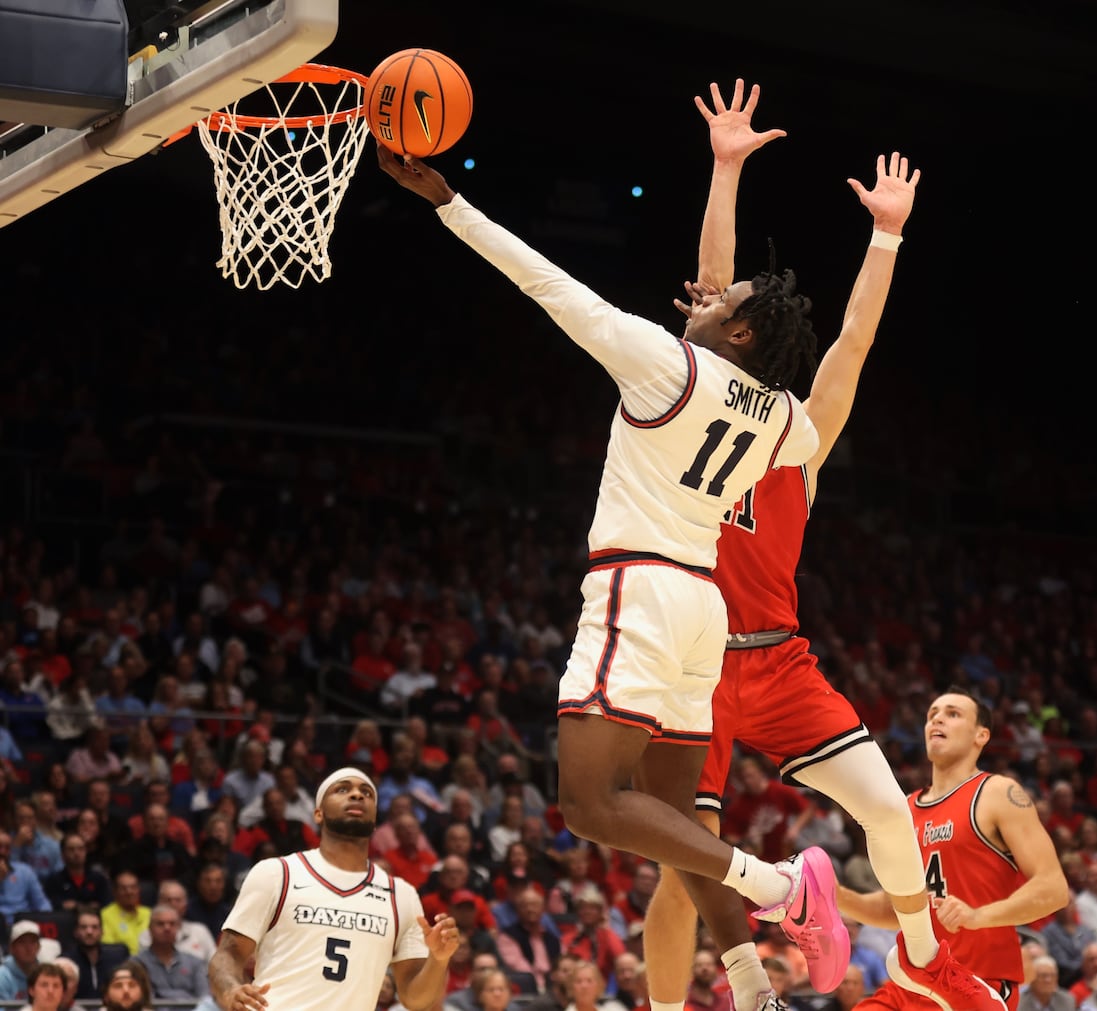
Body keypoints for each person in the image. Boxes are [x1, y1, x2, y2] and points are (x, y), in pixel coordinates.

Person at [376, 83, 840, 1011]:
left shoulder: (664, 362)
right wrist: (725, 172)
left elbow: (543, 279)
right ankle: (750, 981)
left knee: (588, 806)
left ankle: (783, 887)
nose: (701, 296)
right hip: (702, 609)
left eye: (720, 300)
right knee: (669, 822)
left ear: (737, 330)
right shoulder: (788, 421)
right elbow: (729, 313)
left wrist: (447, 201)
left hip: (637, 593)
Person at [641, 75, 998, 1011]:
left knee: (889, 808)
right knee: (681, 863)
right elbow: (711, 297)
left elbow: (854, 339)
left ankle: (922, 958)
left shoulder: (801, 432)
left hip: (780, 659)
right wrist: (722, 171)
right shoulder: (693, 402)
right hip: (694, 663)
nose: (714, 317)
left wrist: (887, 235)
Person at [839, 691, 1072, 1011]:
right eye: (932, 713)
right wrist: (833, 894)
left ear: (981, 735)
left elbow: (1054, 888)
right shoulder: (905, 809)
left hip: (976, 981)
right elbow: (896, 906)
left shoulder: (998, 793)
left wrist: (979, 916)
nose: (936, 718)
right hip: (909, 985)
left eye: (952, 713)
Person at [207, 767, 461, 1011]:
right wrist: (230, 990)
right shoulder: (276, 874)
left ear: (374, 820)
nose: (357, 794)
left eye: (367, 792)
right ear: (318, 813)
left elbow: (415, 1000)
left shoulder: (401, 896)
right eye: (342, 789)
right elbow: (227, 955)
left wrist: (439, 960)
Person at [131, 905, 208, 1001]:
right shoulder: (136, 964)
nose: (167, 928)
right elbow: (142, 1000)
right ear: (150, 929)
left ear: (178, 929)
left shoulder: (195, 963)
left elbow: (204, 997)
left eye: (172, 924)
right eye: (160, 924)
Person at [65, 909, 129, 1001]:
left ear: (102, 932)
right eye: (83, 927)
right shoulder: (66, 961)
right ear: (76, 932)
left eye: (94, 927)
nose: (89, 932)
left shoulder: (117, 958)